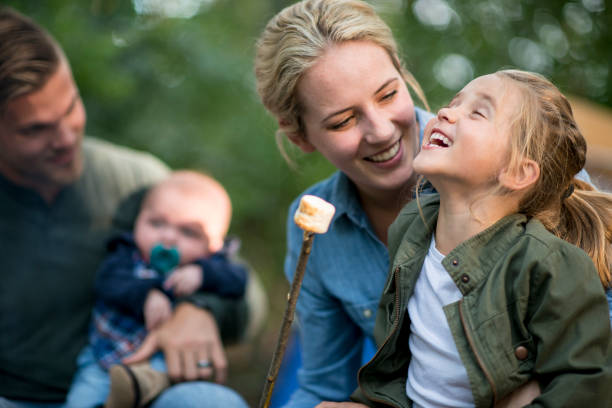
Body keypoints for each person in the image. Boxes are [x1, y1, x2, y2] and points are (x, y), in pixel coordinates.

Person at [254, 1, 596, 407]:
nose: (380, 131)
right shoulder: (317, 230)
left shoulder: (525, 158)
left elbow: (594, 351)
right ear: (301, 137)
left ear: (403, 74)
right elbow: (325, 384)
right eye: (343, 121)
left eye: (387, 94)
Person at [0, 6, 248, 408]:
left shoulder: (138, 182)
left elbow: (245, 292)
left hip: (139, 391)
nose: (67, 137)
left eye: (70, 108)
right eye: (35, 129)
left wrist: (198, 309)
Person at [346, 70, 612, 407]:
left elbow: (583, 387)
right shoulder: (411, 226)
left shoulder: (549, 264)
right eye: (454, 102)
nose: (444, 112)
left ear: (518, 172)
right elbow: (394, 352)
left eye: (477, 112)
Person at [66, 171, 248, 408]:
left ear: (214, 244)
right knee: (81, 399)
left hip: (164, 363)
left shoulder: (211, 265)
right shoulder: (126, 255)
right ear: (139, 220)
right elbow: (108, 283)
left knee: (172, 379)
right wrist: (146, 294)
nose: (168, 237)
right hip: (104, 359)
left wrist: (203, 274)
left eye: (188, 232)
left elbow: (239, 282)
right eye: (157, 223)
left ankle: (139, 387)